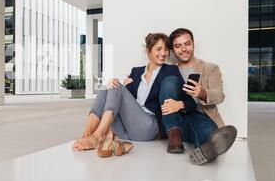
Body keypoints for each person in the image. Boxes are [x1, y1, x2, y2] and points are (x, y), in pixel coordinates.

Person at [73, 33, 195, 157]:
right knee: (107, 87)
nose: (163, 53)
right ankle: (86, 135)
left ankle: (98, 136)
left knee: (116, 86)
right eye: (158, 49)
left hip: (149, 126)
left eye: (166, 49)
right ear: (148, 50)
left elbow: (190, 102)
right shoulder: (136, 71)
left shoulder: (171, 70)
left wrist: (179, 104)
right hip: (128, 128)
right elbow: (125, 102)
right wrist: (120, 86)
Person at [159, 28, 238, 165]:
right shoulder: (168, 70)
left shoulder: (210, 68)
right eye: (178, 46)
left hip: (201, 116)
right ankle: (176, 136)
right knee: (169, 80)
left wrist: (203, 93)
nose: (183, 49)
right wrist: (130, 82)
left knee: (206, 130)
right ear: (172, 50)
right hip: (177, 120)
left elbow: (220, 95)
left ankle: (206, 149)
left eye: (187, 44)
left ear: (193, 44)